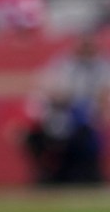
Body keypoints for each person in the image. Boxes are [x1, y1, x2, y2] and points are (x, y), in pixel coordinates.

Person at [23, 33, 110, 185]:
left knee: (83, 130)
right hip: (63, 113)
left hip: (89, 116)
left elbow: (104, 94)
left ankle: (85, 173)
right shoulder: (63, 63)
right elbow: (49, 88)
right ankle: (49, 173)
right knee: (35, 136)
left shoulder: (102, 66)